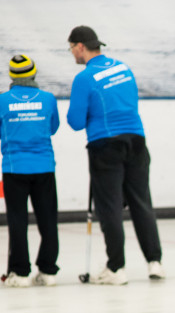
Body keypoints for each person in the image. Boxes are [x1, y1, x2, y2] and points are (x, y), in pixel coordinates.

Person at [67, 26, 164, 285]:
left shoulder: (85, 78)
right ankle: (155, 262)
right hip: (136, 140)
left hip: (105, 145)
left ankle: (116, 268)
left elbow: (75, 122)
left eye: (71, 48)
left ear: (80, 46)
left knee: (109, 207)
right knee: (141, 202)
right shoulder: (123, 68)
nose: (72, 53)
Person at [1, 54, 60, 287]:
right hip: (44, 167)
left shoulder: (2, 101)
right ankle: (48, 271)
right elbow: (53, 128)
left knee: (17, 221)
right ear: (34, 73)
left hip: (14, 168)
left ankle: (20, 272)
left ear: (11, 75)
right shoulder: (48, 99)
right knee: (48, 220)